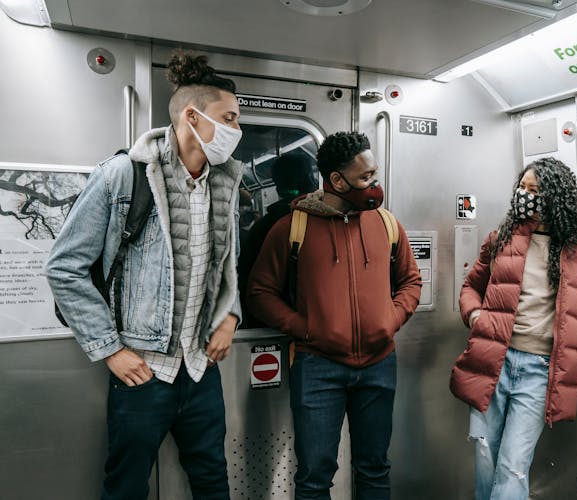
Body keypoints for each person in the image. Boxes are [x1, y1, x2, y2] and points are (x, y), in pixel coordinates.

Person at [45, 52, 244, 500]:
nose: (237, 130)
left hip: (200, 369)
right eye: (229, 118)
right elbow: (64, 266)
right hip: (142, 372)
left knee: (213, 481)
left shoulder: (225, 184)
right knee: (127, 487)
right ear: (192, 116)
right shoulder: (124, 175)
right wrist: (109, 350)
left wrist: (230, 315)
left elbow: (230, 264)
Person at [247, 131, 422, 500]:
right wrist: (304, 328)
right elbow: (260, 292)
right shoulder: (292, 229)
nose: (374, 185)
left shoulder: (387, 225)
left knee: (374, 470)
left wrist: (390, 320)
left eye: (375, 174)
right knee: (314, 475)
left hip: (378, 364)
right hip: (317, 367)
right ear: (337, 180)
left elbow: (410, 281)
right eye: (365, 178)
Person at [449, 157, 577, 500]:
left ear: (555, 198)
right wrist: (475, 317)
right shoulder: (501, 240)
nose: (524, 195)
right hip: (494, 360)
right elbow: (471, 287)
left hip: (538, 370)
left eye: (534, 191)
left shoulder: (576, 249)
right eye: (522, 188)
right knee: (485, 456)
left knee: (513, 464)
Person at [237, 152, 318, 328]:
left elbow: (247, 282)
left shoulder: (263, 227)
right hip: (313, 323)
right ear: (310, 180)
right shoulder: (321, 223)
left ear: (278, 186)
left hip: (270, 321)